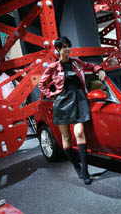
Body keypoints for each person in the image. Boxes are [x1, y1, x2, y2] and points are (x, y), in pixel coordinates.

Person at [38, 36, 106, 185]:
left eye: (68, 46)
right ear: (58, 50)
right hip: (62, 102)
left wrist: (99, 69)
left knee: (80, 133)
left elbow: (91, 66)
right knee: (66, 137)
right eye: (64, 47)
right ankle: (76, 165)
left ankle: (85, 170)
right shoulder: (52, 67)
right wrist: (53, 94)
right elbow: (41, 84)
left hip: (79, 99)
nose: (67, 49)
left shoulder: (76, 62)